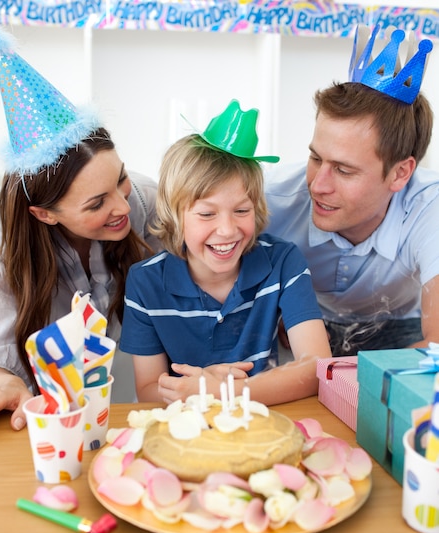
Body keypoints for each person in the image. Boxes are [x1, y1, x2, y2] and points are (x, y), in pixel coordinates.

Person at [0, 28, 159, 443]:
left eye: (121, 179)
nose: (124, 208)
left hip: (132, 411)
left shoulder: (147, 199)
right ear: (44, 214)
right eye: (96, 204)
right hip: (47, 425)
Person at [120, 100, 331, 405]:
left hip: (259, 423)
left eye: (242, 210)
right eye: (207, 214)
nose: (228, 230)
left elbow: (316, 368)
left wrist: (223, 392)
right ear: (175, 215)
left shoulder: (284, 262)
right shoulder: (145, 282)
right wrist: (203, 394)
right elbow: (149, 390)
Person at [264, 24, 439, 356]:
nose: (318, 185)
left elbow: (437, 346)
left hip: (402, 331)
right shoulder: (270, 199)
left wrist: (333, 378)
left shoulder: (431, 207)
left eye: (344, 170)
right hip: (301, 327)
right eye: (315, 157)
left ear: (400, 173)